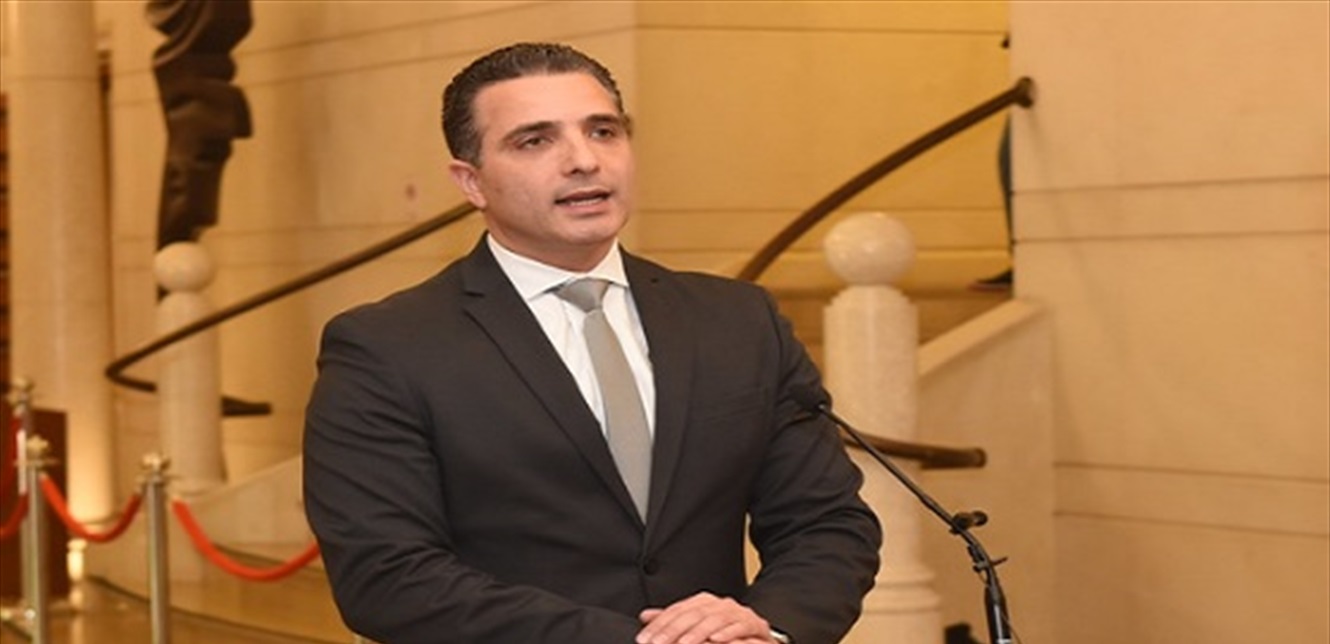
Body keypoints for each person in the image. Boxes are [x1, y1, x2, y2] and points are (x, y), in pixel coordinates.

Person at [303, 42, 881, 644]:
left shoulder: (737, 320)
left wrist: (770, 624)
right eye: (535, 141)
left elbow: (827, 522)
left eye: (603, 131)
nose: (584, 161)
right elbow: (387, 576)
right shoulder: (387, 348)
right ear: (471, 182)